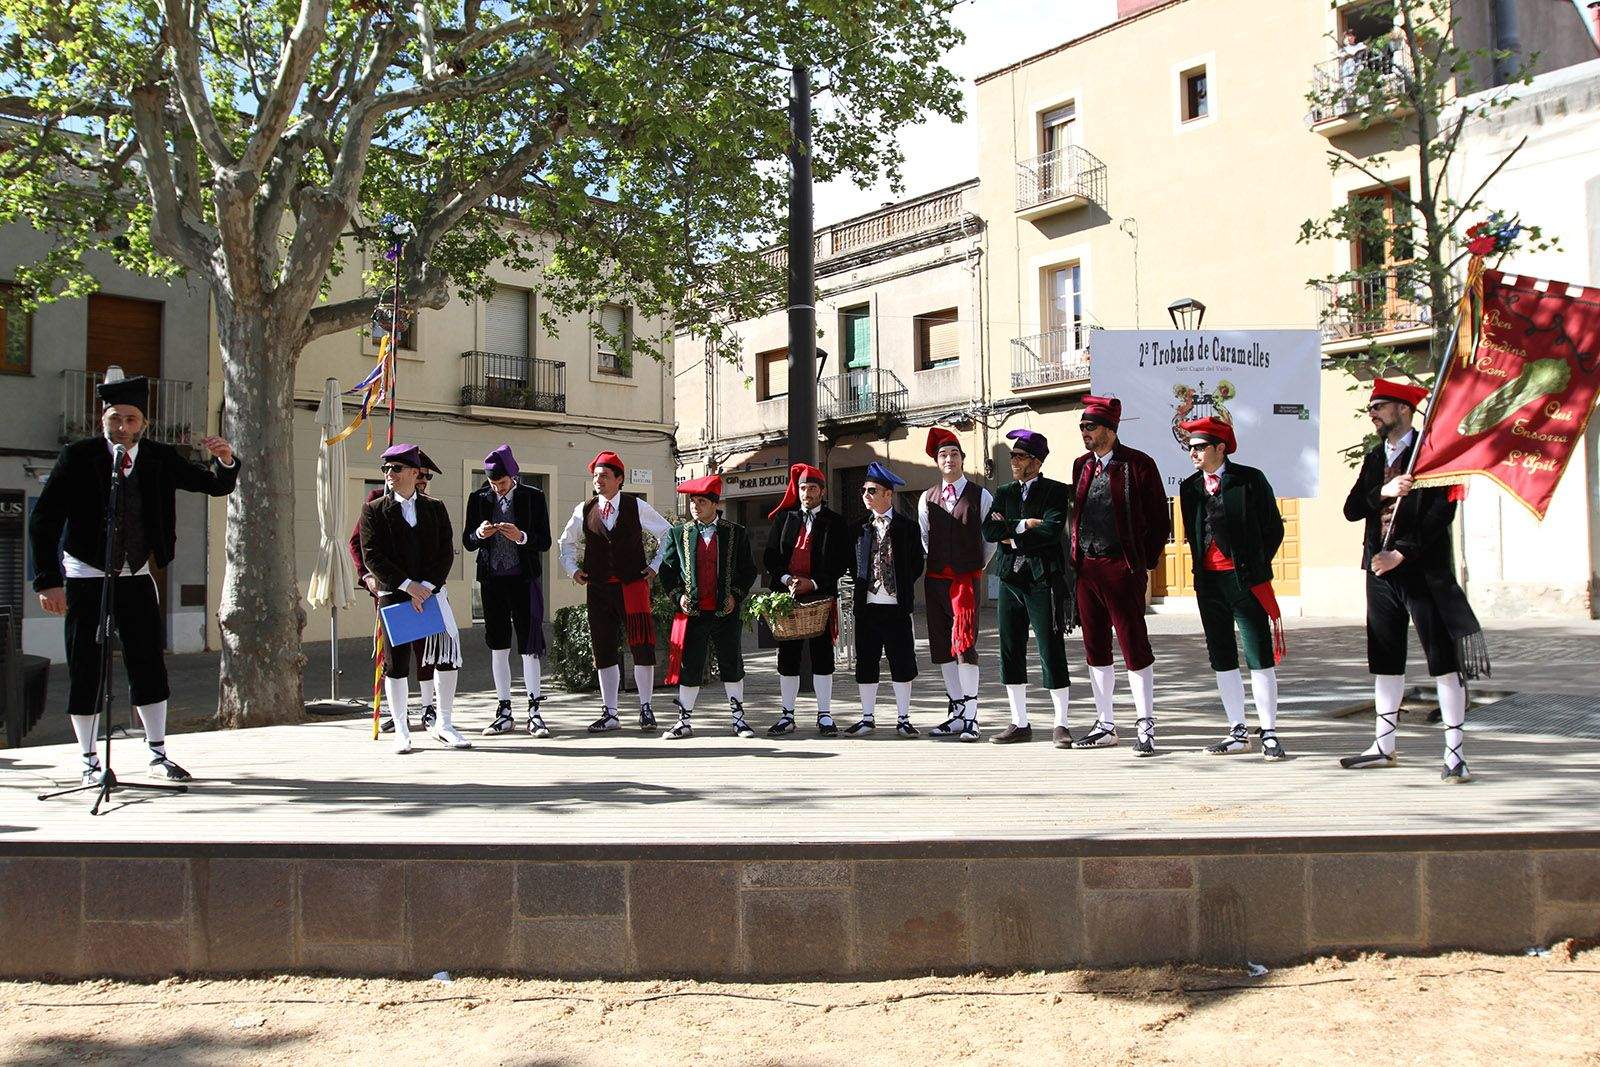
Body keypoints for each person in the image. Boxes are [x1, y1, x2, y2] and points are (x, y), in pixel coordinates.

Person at [30, 375, 239, 785]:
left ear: (143, 423)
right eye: (115, 419)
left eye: (130, 419)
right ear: (102, 418)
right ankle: (90, 761)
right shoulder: (79, 456)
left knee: (147, 662)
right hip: (86, 575)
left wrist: (227, 459)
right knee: (86, 667)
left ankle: (157, 752)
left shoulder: (160, 457)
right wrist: (47, 581)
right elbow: (44, 520)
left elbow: (212, 484)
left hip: (136, 574)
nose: (122, 427)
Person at [1340, 379, 1488, 783]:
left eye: (1380, 406)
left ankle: (1454, 752)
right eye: (1371, 407)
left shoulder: (1436, 454)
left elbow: (1441, 515)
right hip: (1380, 572)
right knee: (1385, 657)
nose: (1372, 413)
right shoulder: (1375, 459)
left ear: (1404, 410)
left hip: (1423, 572)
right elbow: (1352, 509)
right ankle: (1383, 745)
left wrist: (1400, 552)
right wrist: (1383, 491)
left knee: (1442, 658)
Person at [1176, 417, 1288, 761]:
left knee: (1258, 653)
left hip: (1245, 580)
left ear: (1219, 448)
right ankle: (1237, 730)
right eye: (1191, 447)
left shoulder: (1249, 480)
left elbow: (1273, 529)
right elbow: (1195, 535)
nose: (1193, 452)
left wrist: (1252, 565)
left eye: (1199, 447)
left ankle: (1268, 731)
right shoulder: (1190, 487)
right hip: (1208, 583)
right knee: (1221, 655)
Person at [1068, 396, 1169, 756]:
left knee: (1133, 645)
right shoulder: (1080, 465)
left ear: (1110, 430)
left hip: (1121, 567)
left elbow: (1160, 521)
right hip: (1087, 568)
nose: (1084, 432)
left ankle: (1146, 723)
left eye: (1090, 427)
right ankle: (1105, 723)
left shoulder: (1139, 465)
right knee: (1094, 646)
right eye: (1082, 427)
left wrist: (1143, 563)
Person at [358, 444, 470, 753]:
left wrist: (428, 586)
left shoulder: (435, 508)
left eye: (395, 469)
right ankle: (402, 730)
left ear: (414, 473)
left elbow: (445, 553)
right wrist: (408, 586)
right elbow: (372, 556)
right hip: (395, 595)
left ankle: (444, 724)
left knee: (445, 657)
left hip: (432, 593)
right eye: (386, 469)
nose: (389, 475)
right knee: (397, 664)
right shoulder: (374, 509)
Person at [557, 451, 672, 733]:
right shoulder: (584, 509)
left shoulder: (636, 506)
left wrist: (655, 566)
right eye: (595, 476)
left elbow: (667, 534)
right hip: (598, 589)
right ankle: (610, 713)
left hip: (632, 586)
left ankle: (646, 709)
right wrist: (573, 570)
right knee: (603, 649)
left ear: (619, 479)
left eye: (604, 476)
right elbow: (565, 542)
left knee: (642, 646)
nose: (598, 481)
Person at [982, 429, 1073, 746]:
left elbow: (1050, 531)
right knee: (1009, 648)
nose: (1013, 462)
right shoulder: (1004, 491)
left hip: (1041, 578)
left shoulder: (1054, 491)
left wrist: (1013, 533)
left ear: (1035, 461)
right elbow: (989, 528)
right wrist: (1024, 525)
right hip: (1010, 578)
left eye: (1019, 457)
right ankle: (1019, 722)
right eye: (1012, 456)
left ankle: (1060, 723)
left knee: (1050, 647)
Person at [658, 474, 758, 739]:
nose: (695, 506)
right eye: (693, 501)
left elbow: (748, 570)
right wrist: (678, 595)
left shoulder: (736, 533)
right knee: (690, 665)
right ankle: (683, 721)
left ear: (715, 503)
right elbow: (667, 571)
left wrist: (735, 595)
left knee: (731, 662)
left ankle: (738, 719)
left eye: (701, 501)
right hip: (693, 612)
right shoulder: (678, 534)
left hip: (725, 610)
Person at [464, 445, 553, 738]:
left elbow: (544, 541)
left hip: (524, 580)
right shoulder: (478, 499)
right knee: (498, 645)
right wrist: (479, 533)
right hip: (492, 581)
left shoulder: (534, 497)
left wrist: (521, 536)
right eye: (492, 483)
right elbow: (467, 540)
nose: (497, 488)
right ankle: (503, 710)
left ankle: (534, 711)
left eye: (501, 483)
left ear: (513, 476)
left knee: (529, 646)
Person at [918, 427, 996, 739]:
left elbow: (988, 541)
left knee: (965, 646)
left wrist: (972, 568)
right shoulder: (927, 498)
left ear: (963, 459)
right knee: (943, 649)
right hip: (936, 581)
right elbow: (925, 539)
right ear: (937, 462)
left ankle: (972, 717)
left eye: (953, 454)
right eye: (942, 455)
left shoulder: (981, 495)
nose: (948, 459)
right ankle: (956, 711)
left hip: (965, 583)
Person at [761, 463, 850, 737]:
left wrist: (813, 582)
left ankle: (824, 715)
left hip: (820, 595)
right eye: (802, 488)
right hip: (787, 596)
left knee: (822, 655)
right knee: (788, 656)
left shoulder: (835, 522)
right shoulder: (784, 518)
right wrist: (787, 580)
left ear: (822, 492)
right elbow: (771, 558)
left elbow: (840, 561)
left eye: (812, 488)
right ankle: (787, 715)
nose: (807, 493)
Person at [846, 462, 925, 737]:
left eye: (872, 490)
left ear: (888, 495)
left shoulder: (908, 528)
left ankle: (903, 718)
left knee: (902, 662)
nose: (866, 495)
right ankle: (867, 717)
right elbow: (851, 563)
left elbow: (916, 564)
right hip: (867, 608)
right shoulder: (858, 527)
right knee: (866, 662)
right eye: (864, 490)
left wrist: (898, 586)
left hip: (897, 608)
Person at [351, 481, 436, 734]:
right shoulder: (377, 501)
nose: (422, 483)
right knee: (394, 655)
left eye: (426, 479)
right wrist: (366, 576)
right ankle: (399, 713)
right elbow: (358, 543)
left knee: (426, 650)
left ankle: (428, 707)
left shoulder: (429, 506)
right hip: (390, 588)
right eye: (419, 477)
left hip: (423, 591)